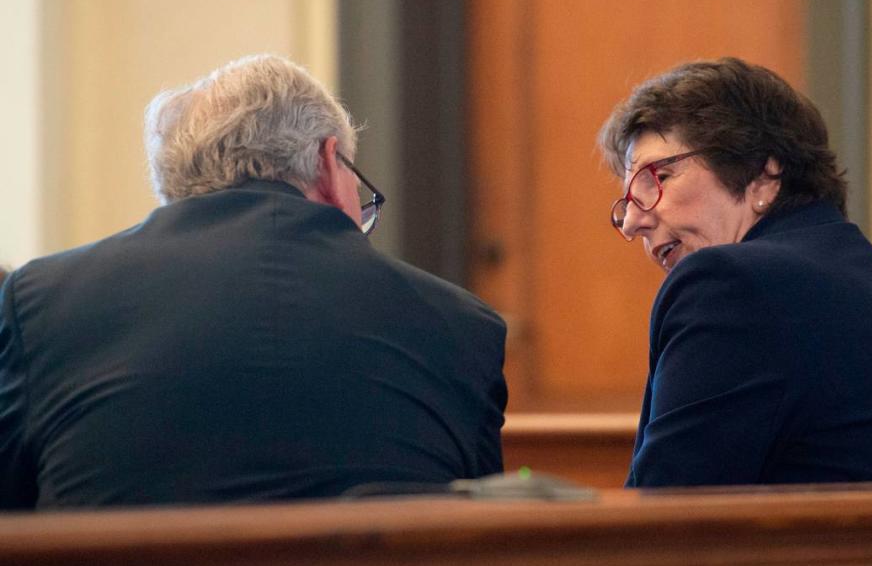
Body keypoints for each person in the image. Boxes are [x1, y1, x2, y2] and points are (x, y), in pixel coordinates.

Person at [0, 55, 507, 509]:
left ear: (174, 184)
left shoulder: (40, 303)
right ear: (331, 164)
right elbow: (485, 550)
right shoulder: (464, 327)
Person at [599, 57, 872, 487]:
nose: (633, 221)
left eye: (659, 177)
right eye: (627, 202)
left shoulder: (732, 283)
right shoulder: (838, 263)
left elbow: (660, 518)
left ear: (763, 176)